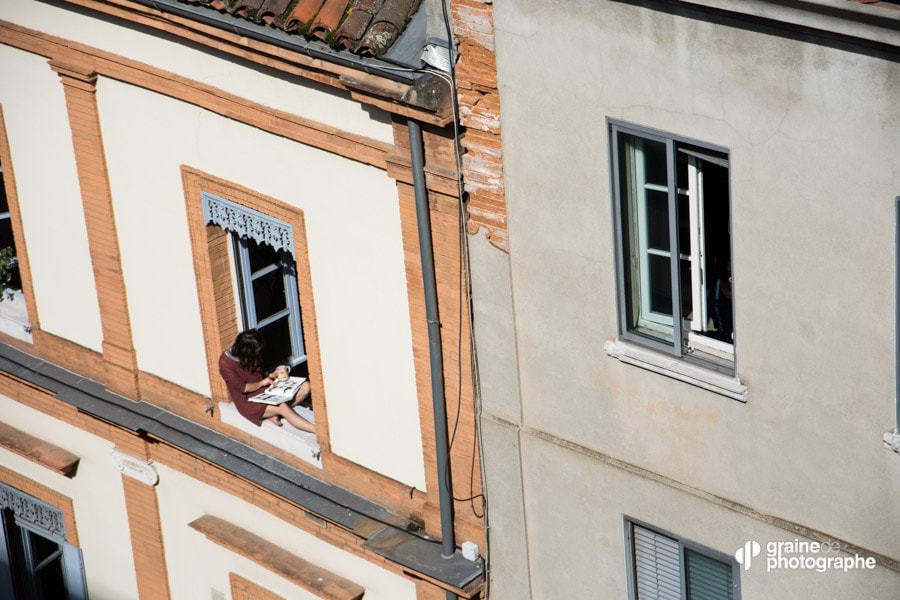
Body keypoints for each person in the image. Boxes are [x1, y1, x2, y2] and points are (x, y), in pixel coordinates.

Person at [218, 329, 315, 433]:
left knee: (306, 387)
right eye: (256, 352)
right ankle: (316, 430)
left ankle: (275, 413)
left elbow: (259, 373)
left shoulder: (253, 353)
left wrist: (272, 374)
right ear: (247, 350)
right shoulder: (225, 363)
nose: (258, 354)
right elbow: (243, 388)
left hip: (266, 390)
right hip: (249, 401)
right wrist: (262, 382)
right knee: (282, 407)